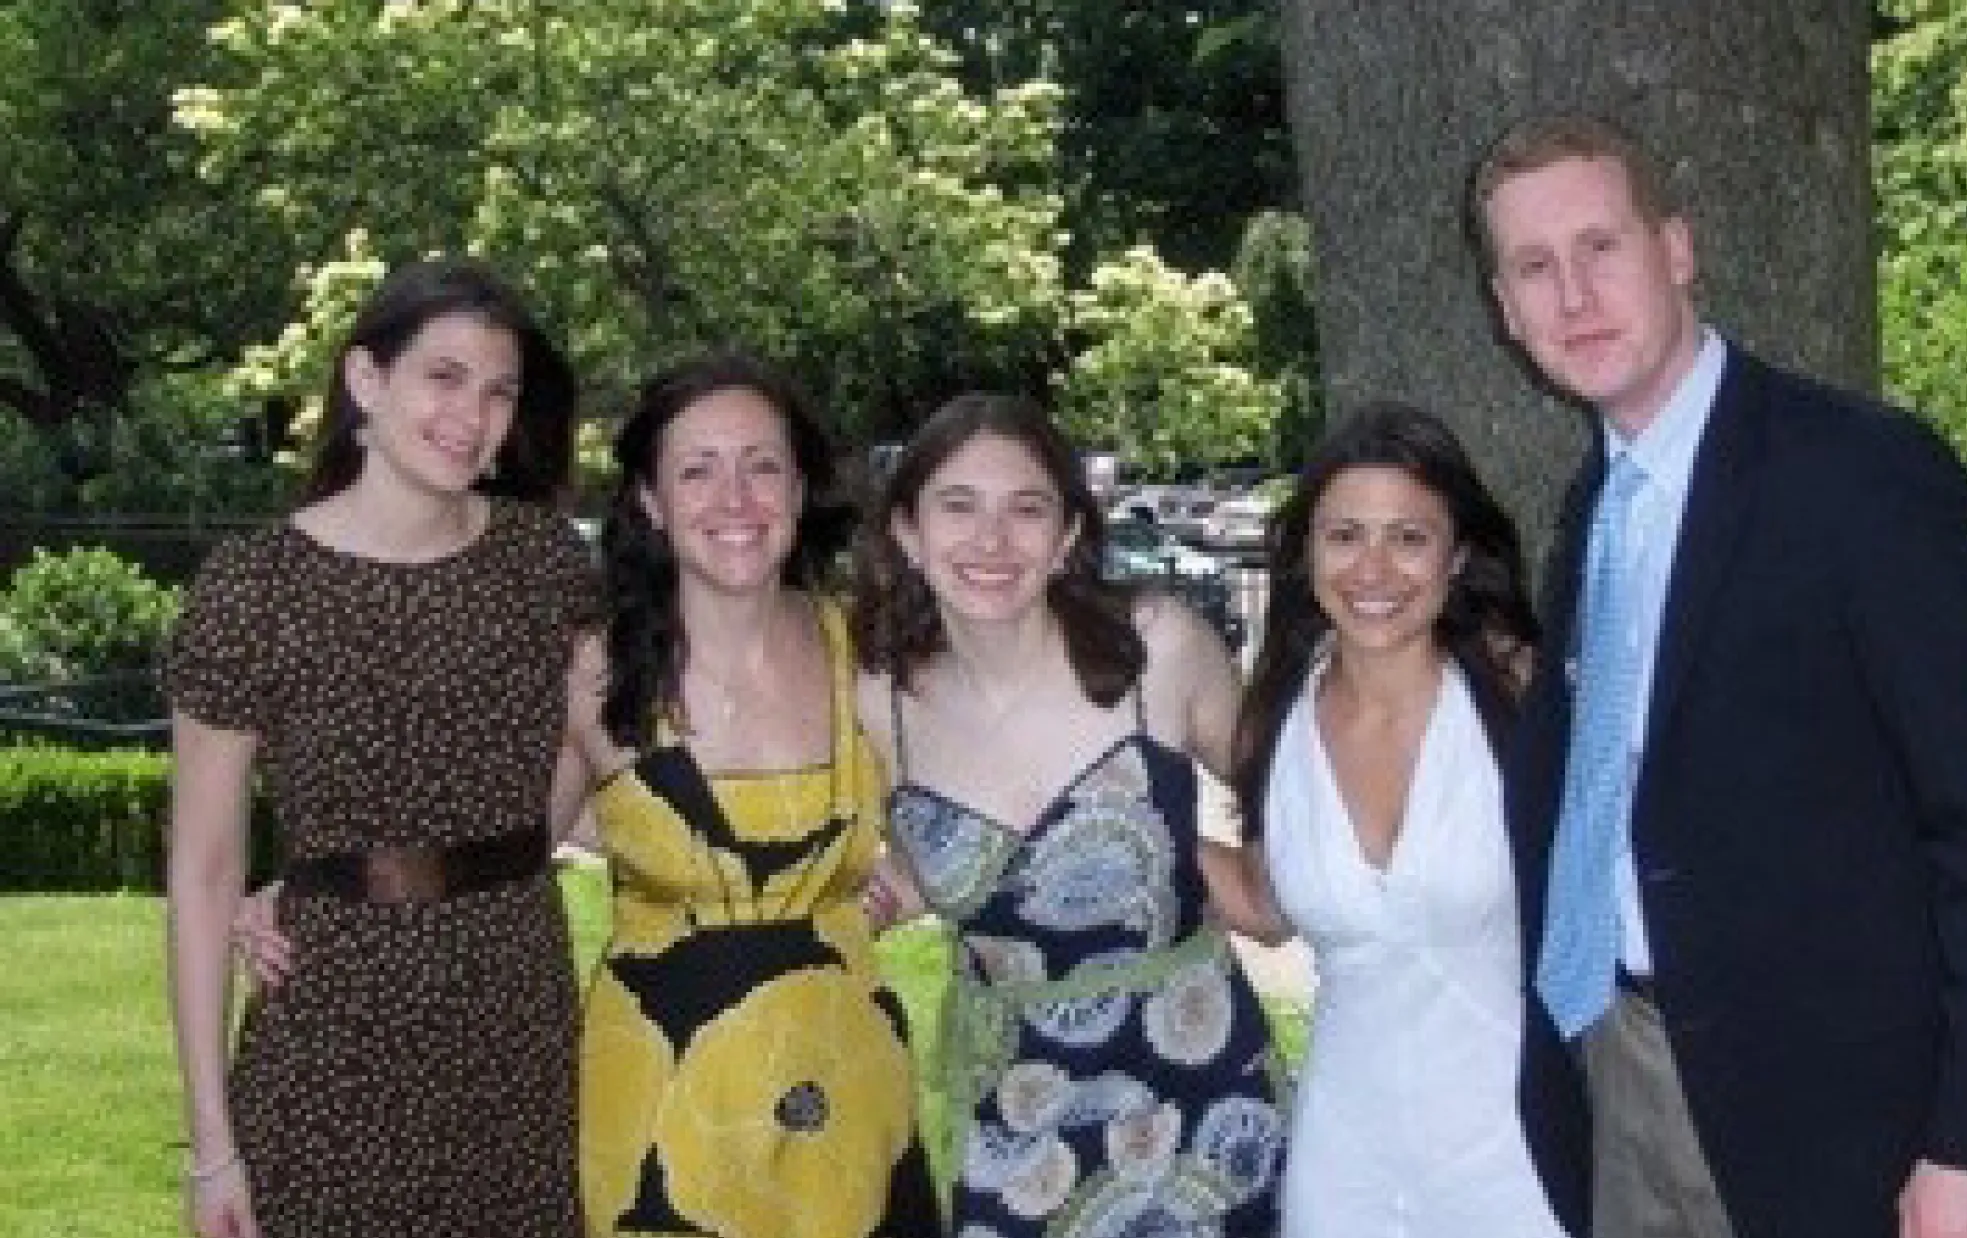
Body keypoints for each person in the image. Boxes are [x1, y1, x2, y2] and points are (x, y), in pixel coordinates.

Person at [1469, 115, 1967, 1238]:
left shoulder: (1859, 473)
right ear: (1505, 310)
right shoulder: (1592, 507)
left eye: (1600, 246)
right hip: (1625, 1071)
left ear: (1678, 249)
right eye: (1533, 268)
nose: (1573, 294)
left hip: (1845, 1129)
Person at [164, 257, 593, 1238]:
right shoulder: (252, 589)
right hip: (332, 1031)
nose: (472, 414)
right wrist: (212, 1147)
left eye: (499, 391)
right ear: (366, 381)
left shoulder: (544, 562)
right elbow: (201, 869)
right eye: (443, 376)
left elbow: (583, 750)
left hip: (514, 1016)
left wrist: (462, 868)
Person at [850, 393, 1288, 1236]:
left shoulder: (1157, 648)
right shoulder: (875, 699)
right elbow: (896, 861)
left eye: (1026, 509)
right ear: (907, 532)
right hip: (1017, 1114)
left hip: (1203, 1095)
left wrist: (1236, 887)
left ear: (1069, 536)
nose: (991, 541)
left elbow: (1290, 797)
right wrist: (889, 891)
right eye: (958, 507)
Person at [563, 352, 939, 1237]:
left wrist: (914, 885)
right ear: (651, 503)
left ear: (801, 488)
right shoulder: (590, 671)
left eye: (761, 465)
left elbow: (995, 808)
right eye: (697, 470)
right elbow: (485, 853)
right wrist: (314, 889)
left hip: (846, 1094)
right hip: (657, 1105)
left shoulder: (873, 656)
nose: (734, 498)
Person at [1226, 400, 1584, 1238]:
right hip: (1344, 1160)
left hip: (1519, 1152)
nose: (1372, 570)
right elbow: (1263, 900)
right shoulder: (1275, 711)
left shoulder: (1518, 697)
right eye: (1344, 535)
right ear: (1307, 549)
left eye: (1409, 538)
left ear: (1457, 555)